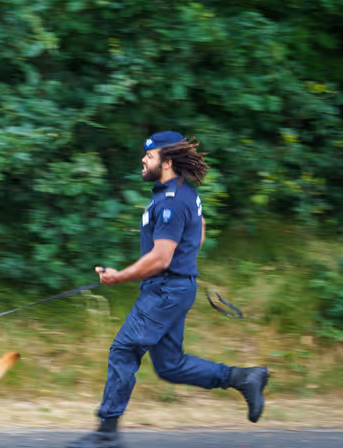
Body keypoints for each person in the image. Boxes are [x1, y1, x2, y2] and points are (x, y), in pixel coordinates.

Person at [67, 131, 270, 448]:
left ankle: (106, 433)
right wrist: (182, 263)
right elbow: (197, 236)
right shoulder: (183, 193)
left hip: (165, 289)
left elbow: (161, 258)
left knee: (124, 350)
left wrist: (118, 277)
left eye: (149, 156)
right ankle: (243, 378)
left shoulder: (170, 203)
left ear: (168, 162)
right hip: (175, 288)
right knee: (170, 366)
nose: (143, 160)